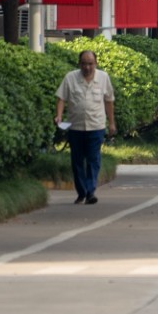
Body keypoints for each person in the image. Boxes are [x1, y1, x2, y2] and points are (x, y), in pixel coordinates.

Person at [54, 49, 116, 203]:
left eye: (90, 64)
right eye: (84, 64)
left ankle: (90, 192)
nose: (87, 67)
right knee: (77, 161)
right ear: (79, 64)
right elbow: (61, 98)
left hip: (96, 126)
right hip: (76, 127)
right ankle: (82, 192)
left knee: (93, 160)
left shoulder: (103, 78)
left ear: (96, 64)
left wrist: (111, 123)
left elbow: (109, 101)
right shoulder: (70, 78)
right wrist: (59, 116)